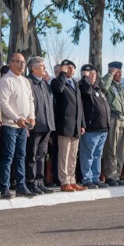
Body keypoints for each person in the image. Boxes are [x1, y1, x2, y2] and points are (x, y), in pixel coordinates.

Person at [0, 51, 36, 198]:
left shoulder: (25, 81)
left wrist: (32, 116)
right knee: (8, 156)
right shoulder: (6, 80)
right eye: (18, 61)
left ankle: (21, 185)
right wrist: (16, 118)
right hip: (10, 125)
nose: (21, 64)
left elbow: (31, 100)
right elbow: (2, 103)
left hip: (23, 126)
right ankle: (4, 187)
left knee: (21, 156)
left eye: (23, 62)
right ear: (10, 63)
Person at [50, 59, 85, 191]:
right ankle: (64, 181)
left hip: (75, 124)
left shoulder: (75, 84)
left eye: (72, 68)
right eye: (68, 67)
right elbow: (58, 90)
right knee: (63, 154)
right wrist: (62, 75)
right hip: (64, 123)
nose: (71, 70)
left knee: (72, 155)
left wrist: (82, 123)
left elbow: (79, 105)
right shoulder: (57, 81)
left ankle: (72, 179)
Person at [26, 57, 55, 193]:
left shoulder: (44, 83)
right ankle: (31, 182)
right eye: (42, 66)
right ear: (34, 68)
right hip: (35, 125)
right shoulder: (28, 82)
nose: (45, 69)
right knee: (31, 155)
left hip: (47, 125)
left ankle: (39, 181)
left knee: (41, 155)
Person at [79, 64, 110, 186]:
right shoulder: (83, 86)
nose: (93, 77)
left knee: (98, 155)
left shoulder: (97, 88)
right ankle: (87, 179)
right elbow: (85, 92)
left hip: (102, 128)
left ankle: (96, 177)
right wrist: (85, 79)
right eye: (90, 74)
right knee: (88, 155)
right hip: (91, 128)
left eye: (95, 74)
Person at [103, 62, 124, 186]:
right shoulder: (108, 83)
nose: (120, 74)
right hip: (113, 118)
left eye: (120, 72)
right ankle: (110, 176)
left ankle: (117, 175)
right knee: (111, 149)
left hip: (122, 120)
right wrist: (109, 75)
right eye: (117, 72)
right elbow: (103, 89)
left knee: (120, 149)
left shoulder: (122, 87)